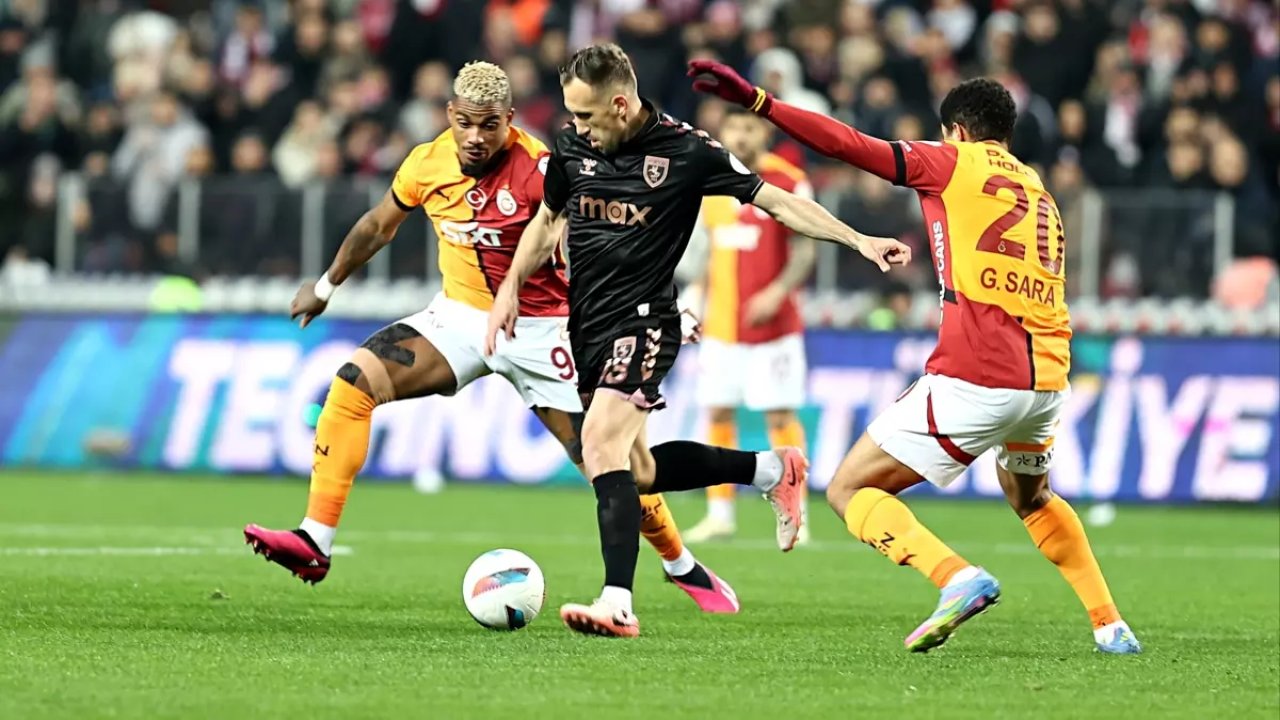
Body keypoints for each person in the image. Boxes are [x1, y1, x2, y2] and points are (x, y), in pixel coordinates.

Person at [242, 61, 741, 615]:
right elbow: (378, 225)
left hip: (545, 328)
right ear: (449, 115)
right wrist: (325, 286)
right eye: (465, 123)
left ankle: (680, 563)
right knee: (354, 382)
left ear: (510, 119)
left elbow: (611, 238)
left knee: (612, 464)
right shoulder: (426, 163)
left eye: (489, 125)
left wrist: (657, 308)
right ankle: (315, 540)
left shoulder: (543, 168)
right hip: (460, 318)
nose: (476, 137)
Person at [689, 60, 1142, 654]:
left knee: (849, 490)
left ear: (957, 131)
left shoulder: (952, 162)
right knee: (1032, 497)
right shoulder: (1039, 190)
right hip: (1047, 381)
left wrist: (761, 103)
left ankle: (956, 577)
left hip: (977, 373)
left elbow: (848, 144)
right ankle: (1110, 623)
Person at [487, 44, 910, 638]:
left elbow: (779, 202)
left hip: (646, 320)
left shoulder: (686, 152)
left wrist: (859, 240)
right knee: (636, 471)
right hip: (587, 325)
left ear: (620, 103)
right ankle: (771, 469)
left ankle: (617, 601)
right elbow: (548, 221)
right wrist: (509, 287)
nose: (576, 126)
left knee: (599, 445)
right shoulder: (572, 147)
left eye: (585, 115)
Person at [682, 106, 816, 546]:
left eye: (749, 128)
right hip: (722, 328)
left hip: (775, 329)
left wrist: (777, 292)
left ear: (764, 133)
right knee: (718, 412)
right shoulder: (710, 183)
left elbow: (805, 250)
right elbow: (709, 252)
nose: (740, 136)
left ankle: (798, 513)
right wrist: (695, 299)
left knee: (779, 415)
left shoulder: (789, 181)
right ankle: (720, 514)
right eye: (733, 127)